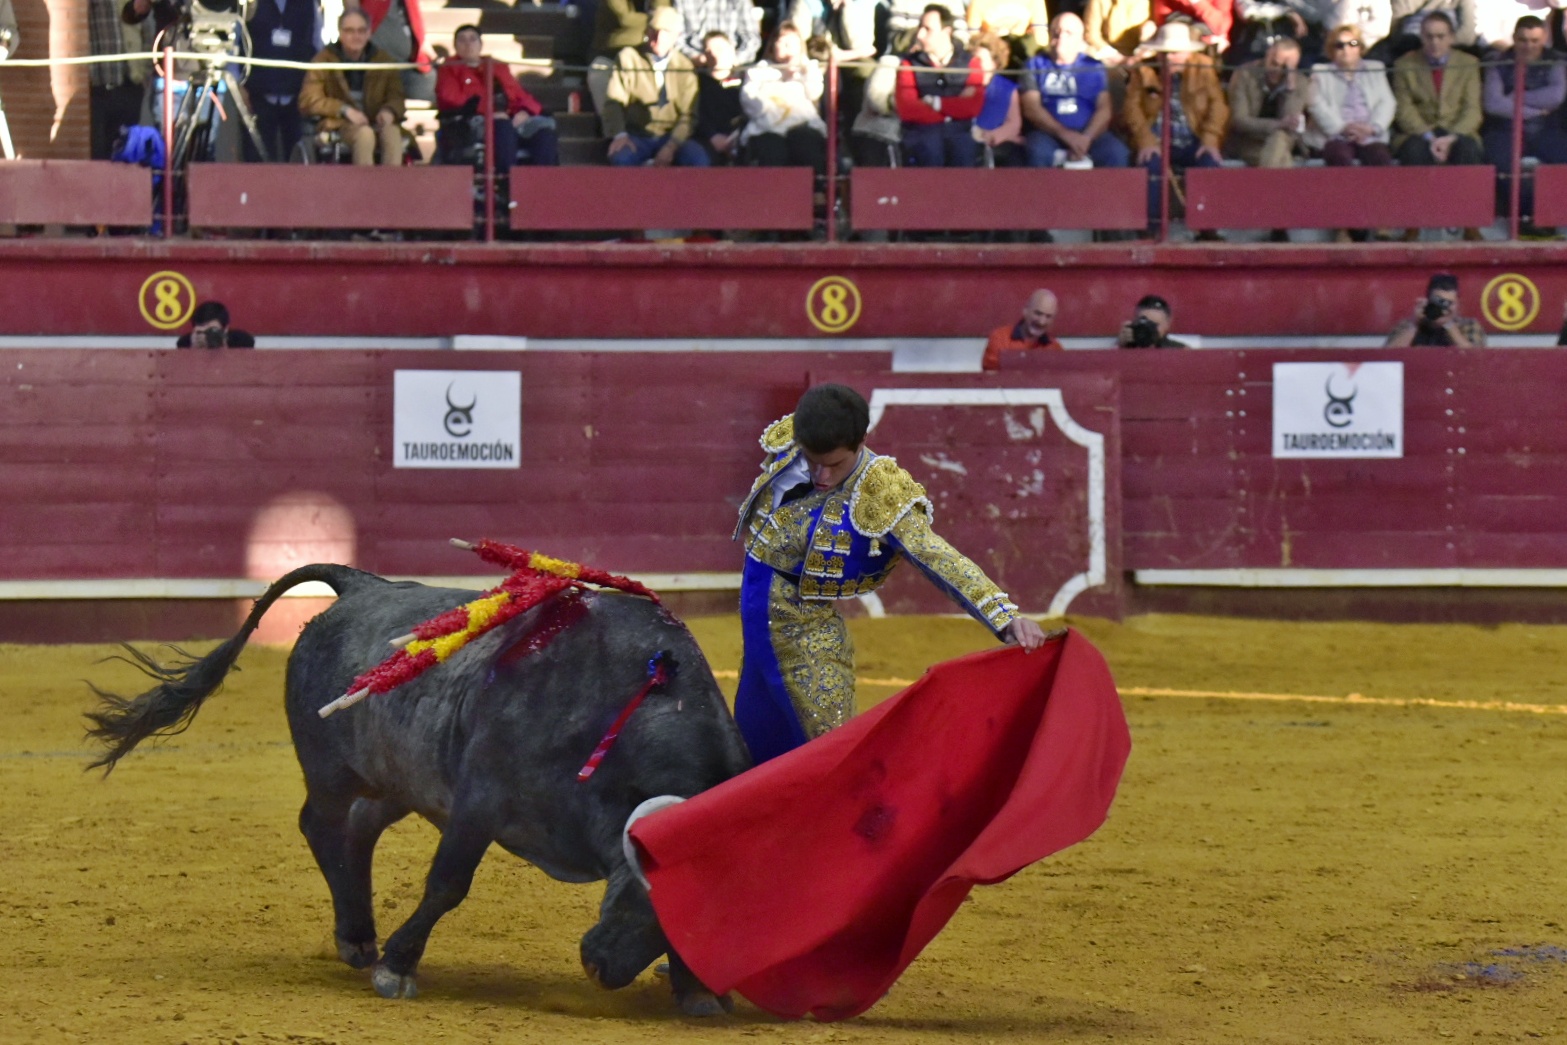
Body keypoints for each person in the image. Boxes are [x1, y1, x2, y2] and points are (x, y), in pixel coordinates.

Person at [732, 383, 1049, 763]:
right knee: (752, 752)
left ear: (861, 441)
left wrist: (1005, 617)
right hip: (758, 634)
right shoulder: (792, 441)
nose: (821, 475)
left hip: (804, 637)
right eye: (812, 460)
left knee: (831, 759)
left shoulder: (880, 491)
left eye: (834, 464)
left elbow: (935, 555)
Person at [1121, 19, 1228, 229]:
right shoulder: (1144, 70)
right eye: (1165, 52)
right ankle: (1152, 230)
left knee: (1210, 165)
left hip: (1193, 138)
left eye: (1175, 52)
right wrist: (1145, 140)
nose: (1169, 58)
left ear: (1188, 52)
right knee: (1149, 168)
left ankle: (1208, 229)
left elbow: (1218, 106)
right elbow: (1131, 109)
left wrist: (1210, 138)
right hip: (1156, 140)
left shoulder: (1204, 67)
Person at [1481, 16, 1567, 232]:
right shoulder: (1498, 60)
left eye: (1535, 40)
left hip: (1545, 128)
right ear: (1514, 38)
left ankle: (1552, 218)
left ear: (1545, 38)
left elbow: (1555, 96)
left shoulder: (1555, 60)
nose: (1529, 46)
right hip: (1505, 129)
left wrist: (1513, 96)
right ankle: (1523, 219)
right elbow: (1493, 103)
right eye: (1523, 40)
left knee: (1563, 160)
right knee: (1502, 166)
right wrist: (1532, 110)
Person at [436, 25, 559, 170]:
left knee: (544, 132)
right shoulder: (449, 68)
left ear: (480, 45)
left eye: (472, 39)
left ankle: (542, 184)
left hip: (511, 117)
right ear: (455, 46)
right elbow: (450, 98)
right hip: (473, 121)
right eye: (462, 40)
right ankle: (506, 181)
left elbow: (520, 94)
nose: (468, 44)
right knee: (503, 128)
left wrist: (525, 111)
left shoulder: (497, 66)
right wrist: (491, 112)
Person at [1020, 12, 1130, 169]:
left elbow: (1104, 109)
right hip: (1049, 134)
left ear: (1081, 38)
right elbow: (1032, 109)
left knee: (1116, 152)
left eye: (1068, 33)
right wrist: (1065, 134)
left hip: (1089, 134)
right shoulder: (1033, 65)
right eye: (1056, 32)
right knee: (1036, 150)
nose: (1061, 38)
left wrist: (1086, 138)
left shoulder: (1094, 67)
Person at [604, 6, 710, 166]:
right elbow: (614, 102)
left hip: (671, 135)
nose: (658, 37)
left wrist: (672, 145)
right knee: (621, 158)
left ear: (677, 36)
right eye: (654, 30)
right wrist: (620, 134)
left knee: (698, 159)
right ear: (647, 31)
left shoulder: (685, 66)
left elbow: (688, 115)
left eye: (666, 32)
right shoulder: (629, 58)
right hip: (636, 134)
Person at [299, 9, 406, 167]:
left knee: (392, 133)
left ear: (369, 33)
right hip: (340, 125)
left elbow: (397, 97)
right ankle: (364, 189)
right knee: (365, 134)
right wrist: (344, 110)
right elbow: (308, 100)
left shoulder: (384, 60)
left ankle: (392, 189)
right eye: (349, 31)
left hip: (376, 120)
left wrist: (389, 110)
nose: (356, 36)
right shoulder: (323, 60)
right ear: (340, 33)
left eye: (361, 31)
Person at [895, 4, 985, 167]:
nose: (920, 35)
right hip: (920, 135)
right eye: (920, 28)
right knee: (929, 147)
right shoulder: (908, 64)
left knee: (964, 149)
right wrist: (953, 111)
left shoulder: (971, 63)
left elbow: (973, 106)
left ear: (947, 32)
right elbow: (908, 109)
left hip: (961, 135)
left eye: (927, 29)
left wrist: (934, 102)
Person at [1391, 12, 1483, 167]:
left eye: (1440, 36)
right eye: (1429, 36)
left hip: (1457, 129)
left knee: (1467, 148)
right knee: (1414, 150)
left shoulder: (1469, 63)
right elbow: (1404, 109)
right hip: (1420, 131)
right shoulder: (1404, 65)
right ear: (1421, 37)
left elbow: (1472, 108)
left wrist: (1451, 138)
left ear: (1451, 37)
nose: (1434, 42)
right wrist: (1430, 137)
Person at [1306, 22, 1397, 169]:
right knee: (1339, 156)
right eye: (1339, 45)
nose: (1346, 49)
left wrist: (1371, 128)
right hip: (1335, 135)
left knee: (1380, 157)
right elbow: (1315, 104)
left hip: (1369, 134)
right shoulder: (1320, 71)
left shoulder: (1376, 68)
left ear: (1360, 47)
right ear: (1331, 50)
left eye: (1352, 43)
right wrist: (1343, 128)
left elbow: (1387, 102)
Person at [739, 22, 828, 169]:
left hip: (802, 125)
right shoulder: (759, 71)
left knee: (805, 143)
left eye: (793, 43)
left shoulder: (808, 69)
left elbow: (814, 93)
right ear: (773, 45)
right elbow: (749, 100)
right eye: (783, 42)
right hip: (767, 127)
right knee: (771, 148)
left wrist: (804, 72)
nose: (789, 48)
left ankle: (816, 189)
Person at [245, 0, 322, 163]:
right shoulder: (249, 3)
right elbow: (237, 42)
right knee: (256, 159)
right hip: (257, 93)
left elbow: (318, 47)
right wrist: (238, 84)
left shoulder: (309, 4)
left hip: (298, 93)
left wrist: (314, 87)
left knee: (297, 159)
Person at [1225, 36, 1308, 168]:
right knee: (1282, 159)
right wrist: (1277, 124)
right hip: (1248, 141)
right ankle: (1271, 187)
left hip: (1282, 143)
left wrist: (1290, 88)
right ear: (1267, 55)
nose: (1278, 70)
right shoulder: (1245, 74)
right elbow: (1239, 120)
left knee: (1279, 139)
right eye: (1274, 63)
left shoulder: (1300, 82)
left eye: (1286, 67)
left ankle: (1267, 187)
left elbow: (1290, 125)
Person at [1384, 273, 1486, 346]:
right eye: (1439, 302)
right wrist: (1414, 325)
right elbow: (1388, 357)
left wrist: (1448, 324)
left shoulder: (1469, 325)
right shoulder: (1408, 324)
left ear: (1457, 304)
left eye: (1449, 303)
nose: (1444, 308)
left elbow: (1476, 357)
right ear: (1428, 301)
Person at [973, 31, 1027, 166]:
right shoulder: (964, 85)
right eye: (974, 60)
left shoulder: (1008, 89)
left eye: (981, 61)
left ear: (994, 63)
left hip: (998, 143)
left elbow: (1014, 124)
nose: (976, 65)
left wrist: (992, 136)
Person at [694, 31, 746, 164]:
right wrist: (712, 136)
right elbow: (694, 114)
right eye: (709, 51)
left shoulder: (747, 79)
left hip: (742, 137)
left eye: (720, 49)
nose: (715, 55)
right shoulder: (696, 82)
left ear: (732, 51)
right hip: (707, 139)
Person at [983, 289, 1062, 370]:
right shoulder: (1000, 338)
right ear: (1025, 310)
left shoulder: (1055, 348)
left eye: (1048, 317)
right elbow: (991, 377)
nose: (1042, 322)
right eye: (1038, 313)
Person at [674, 0, 761, 65]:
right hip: (695, 65)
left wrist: (734, 59)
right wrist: (695, 57)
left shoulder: (740, 1)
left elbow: (752, 39)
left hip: (734, 66)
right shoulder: (682, 1)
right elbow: (676, 38)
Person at [1117, 294, 1188, 348]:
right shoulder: (1127, 348)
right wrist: (1120, 346)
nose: (1149, 328)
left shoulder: (1179, 351)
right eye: (1145, 322)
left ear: (1168, 324)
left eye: (1155, 324)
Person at [176, 302, 255, 349]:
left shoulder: (241, 342)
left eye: (212, 330)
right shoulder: (185, 343)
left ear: (225, 329)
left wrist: (224, 347)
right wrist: (192, 351)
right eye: (201, 332)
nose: (207, 336)